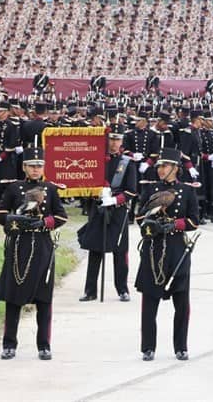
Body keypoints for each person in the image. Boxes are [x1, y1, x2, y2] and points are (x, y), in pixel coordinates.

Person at [0, 146, 68, 360]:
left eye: (39, 166)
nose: (36, 170)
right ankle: (9, 344)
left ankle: (44, 345)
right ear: (24, 167)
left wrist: (45, 222)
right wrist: (16, 220)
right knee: (13, 298)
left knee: (44, 299)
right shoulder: (14, 188)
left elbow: (61, 216)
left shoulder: (50, 189)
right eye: (32, 166)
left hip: (43, 244)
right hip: (19, 245)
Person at [135, 147, 199, 362]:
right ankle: (148, 347)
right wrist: (151, 224)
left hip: (177, 250)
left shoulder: (187, 191)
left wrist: (172, 225)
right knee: (149, 302)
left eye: (165, 166)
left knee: (181, 303)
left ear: (176, 168)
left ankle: (181, 346)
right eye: (159, 166)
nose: (160, 169)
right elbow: (138, 218)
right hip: (153, 249)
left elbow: (193, 221)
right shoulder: (150, 188)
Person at [77, 125, 137, 302]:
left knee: (120, 251)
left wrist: (115, 200)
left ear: (122, 142)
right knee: (95, 250)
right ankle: (90, 290)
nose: (114, 143)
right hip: (99, 208)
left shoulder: (127, 163)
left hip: (117, 211)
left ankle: (122, 289)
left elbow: (132, 191)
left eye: (117, 139)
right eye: (111, 139)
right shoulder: (96, 160)